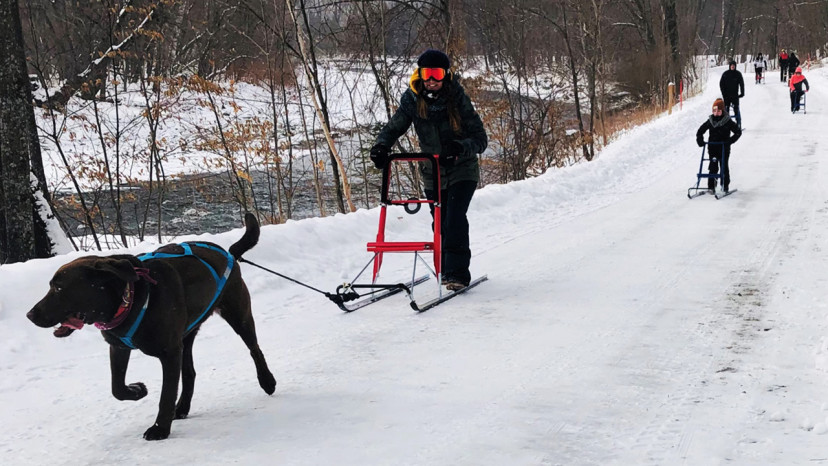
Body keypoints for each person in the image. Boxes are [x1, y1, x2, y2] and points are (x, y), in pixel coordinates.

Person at [370, 49, 488, 291]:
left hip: (461, 170)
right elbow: (394, 127)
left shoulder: (458, 98)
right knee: (440, 222)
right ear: (420, 74)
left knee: (454, 219)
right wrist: (381, 147)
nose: (431, 80)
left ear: (446, 75)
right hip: (432, 172)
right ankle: (444, 269)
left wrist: (459, 147)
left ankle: (456, 274)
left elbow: (480, 139)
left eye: (436, 74)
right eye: (426, 74)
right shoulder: (412, 100)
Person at [696, 98, 742, 193]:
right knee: (713, 166)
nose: (716, 113)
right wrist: (700, 140)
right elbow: (700, 131)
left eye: (718, 111)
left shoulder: (727, 121)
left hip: (724, 148)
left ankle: (725, 186)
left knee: (724, 166)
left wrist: (730, 141)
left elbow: (738, 132)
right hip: (712, 147)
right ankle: (711, 186)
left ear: (723, 110)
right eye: (714, 111)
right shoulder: (711, 120)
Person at [719, 60, 744, 128]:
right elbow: (721, 84)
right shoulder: (725, 74)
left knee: (736, 109)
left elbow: (741, 84)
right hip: (727, 95)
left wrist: (742, 93)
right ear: (729, 66)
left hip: (735, 95)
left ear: (735, 66)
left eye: (733, 65)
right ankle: (726, 125)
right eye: (731, 65)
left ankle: (738, 124)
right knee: (726, 110)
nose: (732, 66)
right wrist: (724, 93)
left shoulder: (738, 74)